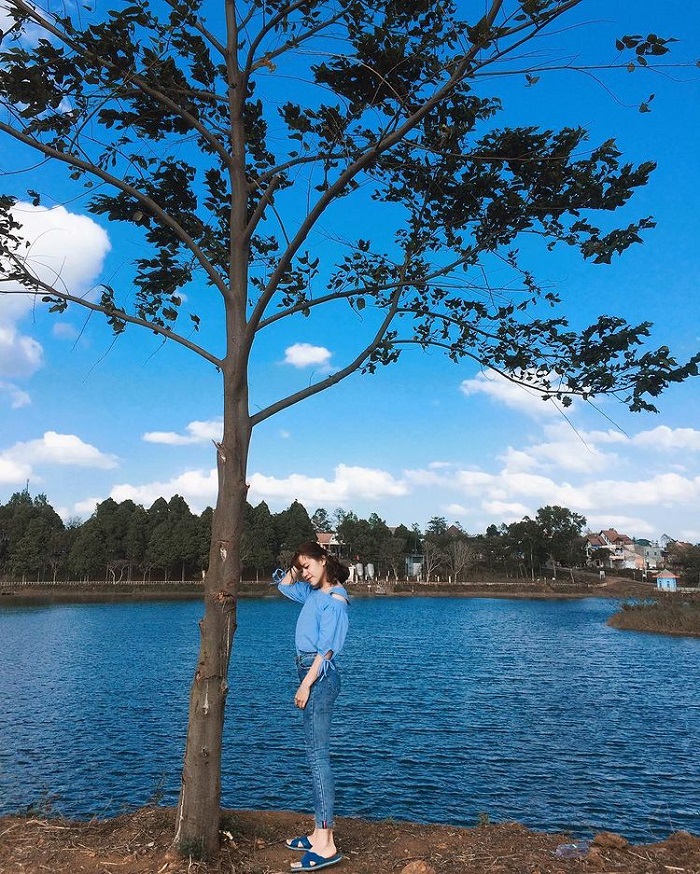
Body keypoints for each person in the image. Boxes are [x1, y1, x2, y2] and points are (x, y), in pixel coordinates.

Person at [276, 541, 350, 872]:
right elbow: (283, 585)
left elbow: (327, 651)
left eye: (308, 566)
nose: (303, 573)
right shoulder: (313, 593)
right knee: (314, 756)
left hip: (318, 676)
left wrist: (305, 684)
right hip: (308, 671)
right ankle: (318, 833)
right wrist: (296, 565)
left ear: (324, 560)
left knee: (319, 758)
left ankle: (327, 843)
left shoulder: (335, 601)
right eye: (301, 568)